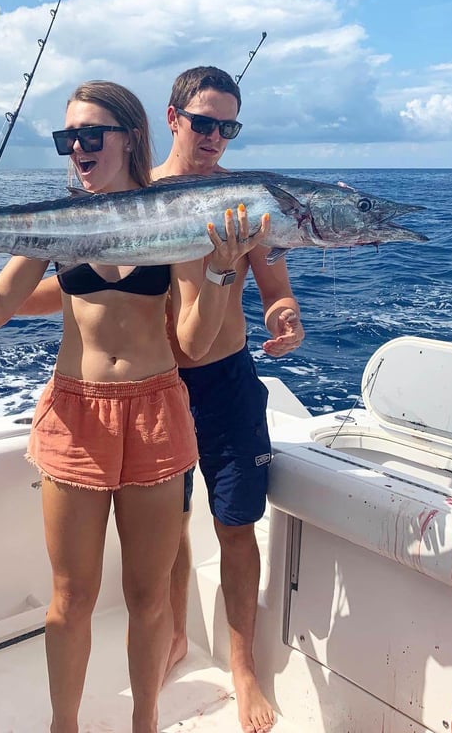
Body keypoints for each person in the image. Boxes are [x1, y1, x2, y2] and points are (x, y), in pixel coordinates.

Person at [0, 80, 266, 733]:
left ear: (130, 137)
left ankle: (145, 721)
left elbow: (196, 343)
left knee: (147, 600)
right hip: (76, 416)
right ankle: (66, 726)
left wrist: (225, 272)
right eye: (69, 138)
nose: (79, 148)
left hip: (154, 414)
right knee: (70, 599)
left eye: (93, 135)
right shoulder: (53, 224)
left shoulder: (172, 214)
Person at [153, 66, 304, 733]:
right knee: (167, 529)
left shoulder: (251, 202)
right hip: (156, 386)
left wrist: (284, 317)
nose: (215, 136)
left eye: (228, 126)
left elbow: (275, 287)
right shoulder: (135, 195)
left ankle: (245, 668)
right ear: (172, 118)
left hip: (228, 381)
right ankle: (176, 635)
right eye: (203, 121)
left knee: (235, 524)